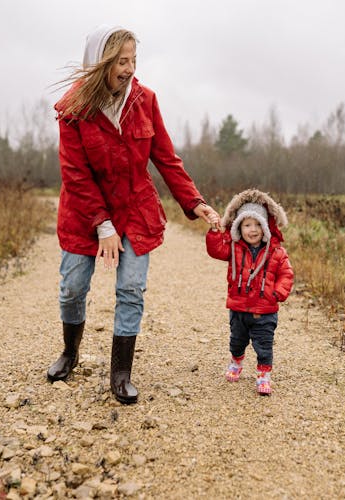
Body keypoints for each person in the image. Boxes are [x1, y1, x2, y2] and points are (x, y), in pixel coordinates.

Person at [47, 25, 220, 405]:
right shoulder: (72, 110)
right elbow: (75, 175)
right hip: (84, 213)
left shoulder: (145, 100)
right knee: (72, 288)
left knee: (130, 289)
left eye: (133, 60)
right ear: (100, 64)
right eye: (121, 61)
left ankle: (120, 373)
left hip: (135, 209)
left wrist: (194, 202)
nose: (129, 68)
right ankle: (70, 352)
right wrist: (102, 226)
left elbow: (166, 159)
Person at [206, 189, 294, 395]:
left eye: (257, 225)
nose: (252, 230)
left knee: (264, 345)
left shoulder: (277, 252)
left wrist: (277, 293)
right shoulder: (234, 248)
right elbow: (216, 250)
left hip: (265, 310)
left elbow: (287, 274)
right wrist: (214, 232)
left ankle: (264, 376)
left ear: (265, 227)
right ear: (239, 228)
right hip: (239, 308)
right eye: (247, 225)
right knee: (237, 341)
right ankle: (236, 361)